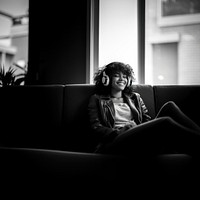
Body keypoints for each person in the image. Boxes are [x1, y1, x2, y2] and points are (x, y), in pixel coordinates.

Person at [88, 61, 200, 158]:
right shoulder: (97, 99)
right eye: (117, 75)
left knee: (169, 106)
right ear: (106, 79)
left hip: (137, 136)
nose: (122, 79)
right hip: (114, 141)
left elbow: (147, 121)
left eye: (125, 76)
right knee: (165, 122)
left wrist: (138, 128)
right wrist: (120, 131)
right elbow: (96, 128)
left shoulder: (135, 97)